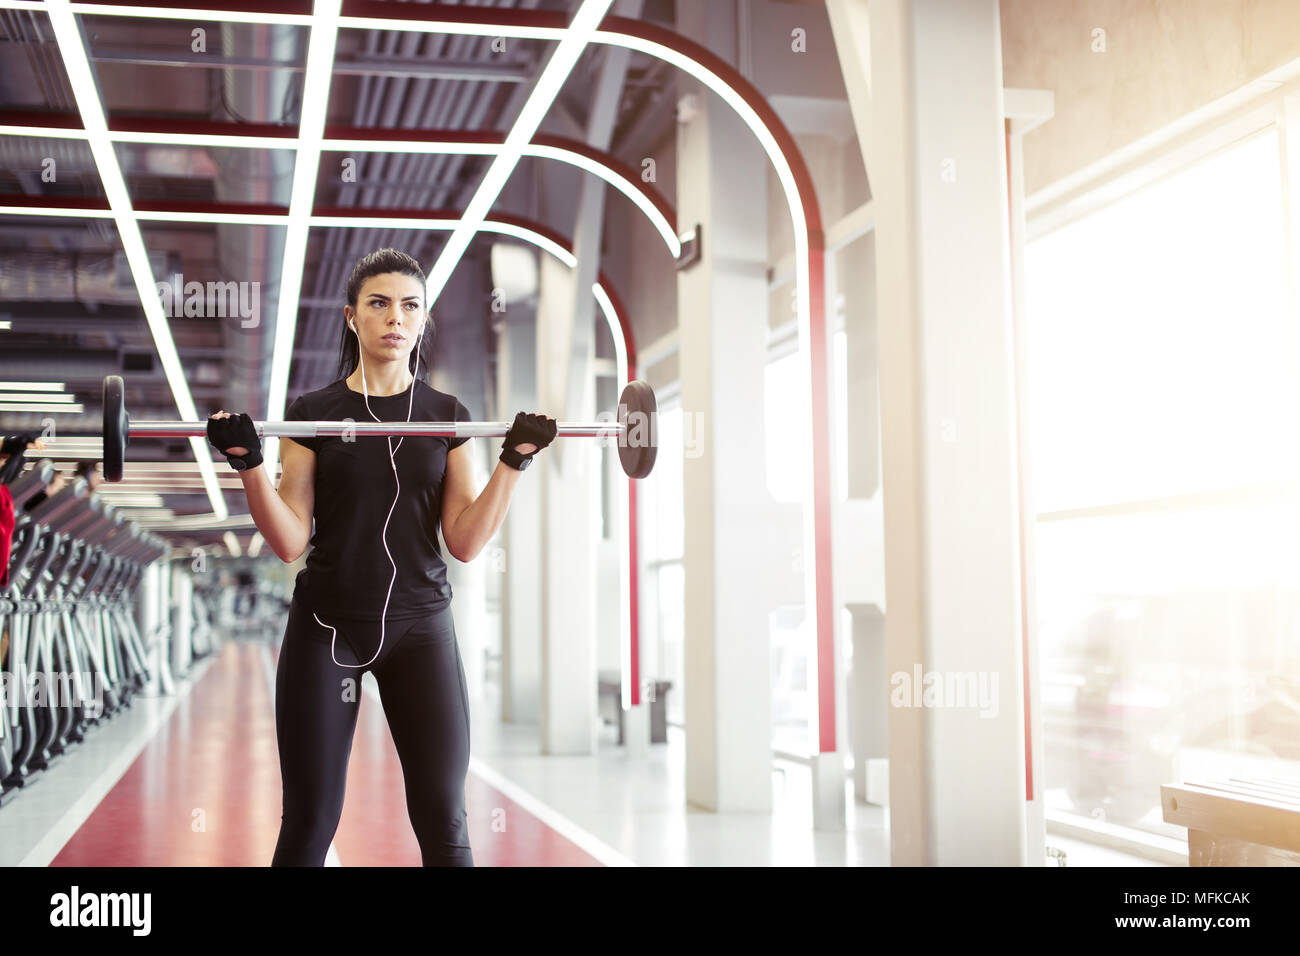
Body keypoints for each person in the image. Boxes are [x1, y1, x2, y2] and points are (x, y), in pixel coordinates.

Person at [206, 249, 556, 867]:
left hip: (420, 628)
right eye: (379, 303)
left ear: (423, 321)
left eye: (410, 305)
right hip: (326, 627)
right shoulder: (310, 415)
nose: (396, 317)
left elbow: (466, 542)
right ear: (351, 318)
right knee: (310, 821)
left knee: (445, 821)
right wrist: (248, 465)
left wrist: (514, 459)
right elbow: (290, 539)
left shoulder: (450, 417)